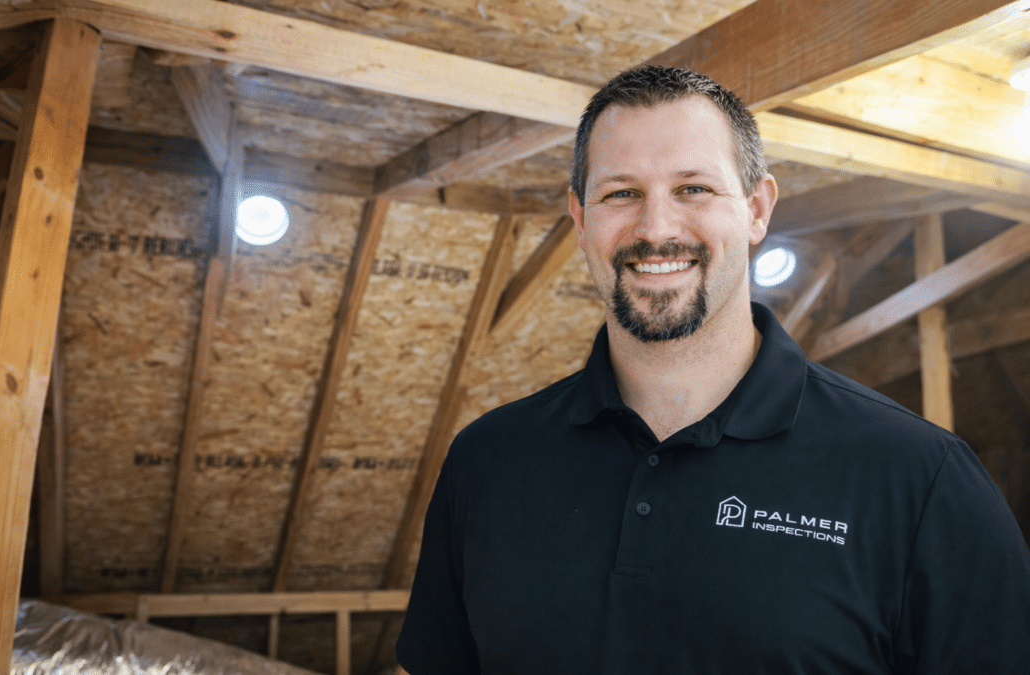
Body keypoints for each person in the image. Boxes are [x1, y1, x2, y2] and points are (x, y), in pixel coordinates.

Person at [395, 65, 1030, 674]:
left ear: (757, 209)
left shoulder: (920, 480)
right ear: (581, 218)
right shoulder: (488, 462)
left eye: (693, 188)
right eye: (622, 193)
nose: (656, 227)